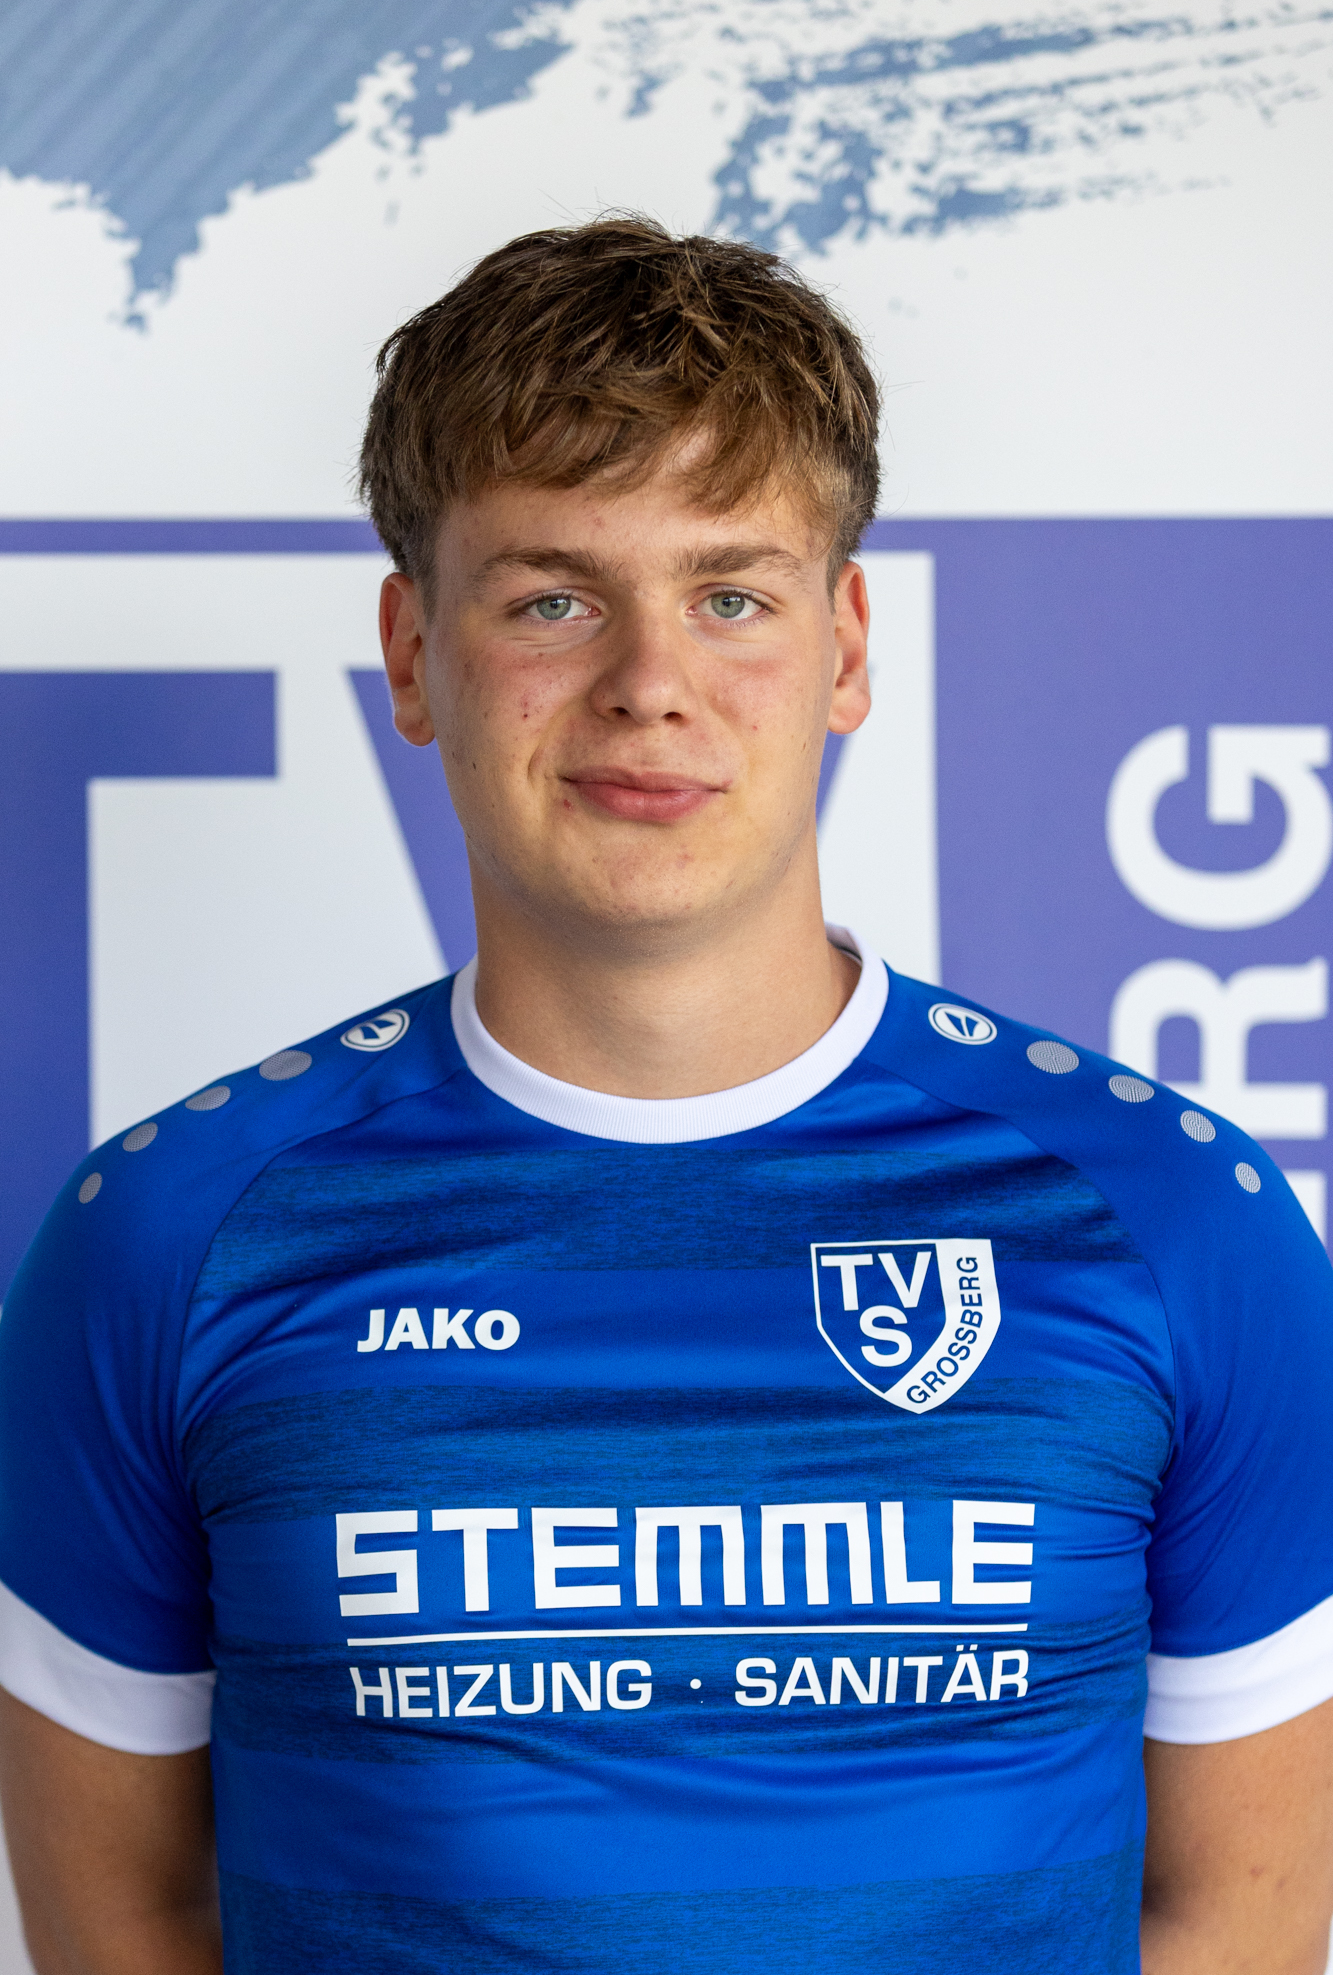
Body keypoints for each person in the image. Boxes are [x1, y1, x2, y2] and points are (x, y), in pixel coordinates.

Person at [0, 217, 1331, 1975]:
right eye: (551, 598)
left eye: (730, 596)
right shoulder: (169, 1236)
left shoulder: (1171, 1221)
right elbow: (127, 1919)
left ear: (844, 646)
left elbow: (1238, 1915)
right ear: (412, 654)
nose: (649, 685)